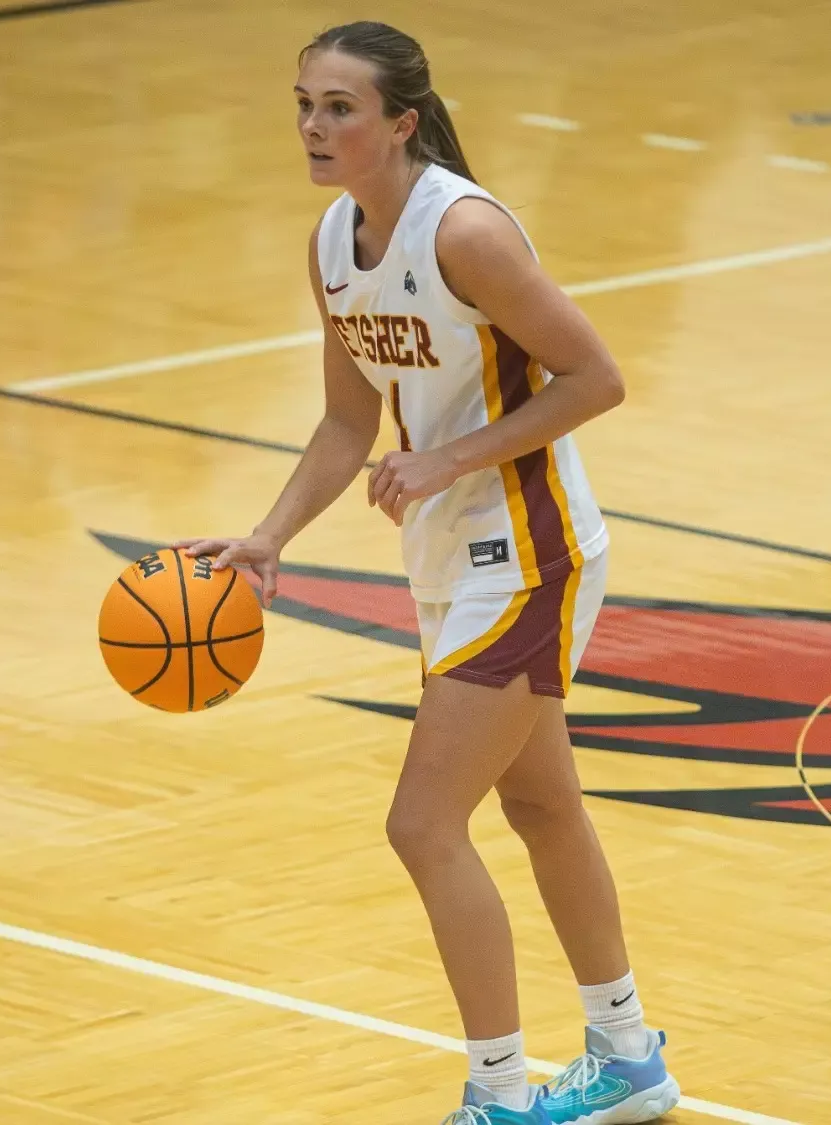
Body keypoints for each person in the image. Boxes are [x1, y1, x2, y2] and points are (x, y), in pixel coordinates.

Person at [176, 21, 679, 1125]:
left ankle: (496, 1093)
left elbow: (595, 378)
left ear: (401, 122)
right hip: (448, 557)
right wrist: (269, 536)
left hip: (531, 551)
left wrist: (450, 457)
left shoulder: (465, 233)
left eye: (339, 107)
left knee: (422, 824)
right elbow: (345, 421)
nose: (313, 126)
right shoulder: (332, 242)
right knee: (541, 804)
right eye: (303, 104)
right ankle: (626, 1054)